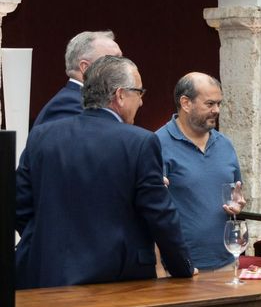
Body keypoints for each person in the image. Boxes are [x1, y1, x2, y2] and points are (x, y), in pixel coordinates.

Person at [15, 56, 194, 289]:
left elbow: (19, 204)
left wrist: (47, 241)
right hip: (116, 281)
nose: (141, 102)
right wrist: (183, 268)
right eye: (139, 93)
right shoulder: (140, 142)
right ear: (120, 95)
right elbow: (160, 215)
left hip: (48, 275)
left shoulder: (42, 136)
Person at [156, 72, 246, 272]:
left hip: (227, 263)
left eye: (219, 104)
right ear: (186, 103)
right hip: (179, 269)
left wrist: (237, 203)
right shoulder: (157, 144)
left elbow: (235, 192)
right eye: (210, 104)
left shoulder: (225, 144)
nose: (217, 110)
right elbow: (149, 210)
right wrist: (159, 270)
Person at [33, 30, 122, 127]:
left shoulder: (81, 100)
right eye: (114, 60)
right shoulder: (68, 106)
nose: (123, 66)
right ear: (86, 67)